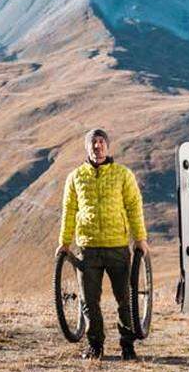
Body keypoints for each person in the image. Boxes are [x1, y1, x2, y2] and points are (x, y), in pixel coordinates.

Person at [56, 128, 148, 360]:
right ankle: (95, 345)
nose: (97, 146)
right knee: (89, 301)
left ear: (107, 146)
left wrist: (140, 239)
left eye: (101, 142)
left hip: (117, 247)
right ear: (87, 148)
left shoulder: (123, 174)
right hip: (87, 248)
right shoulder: (75, 177)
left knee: (125, 300)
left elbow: (134, 207)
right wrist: (64, 243)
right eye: (93, 143)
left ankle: (128, 346)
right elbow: (69, 211)